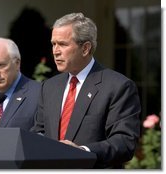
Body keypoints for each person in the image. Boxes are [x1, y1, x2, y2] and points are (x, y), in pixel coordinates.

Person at [31, 12, 141, 168]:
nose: (55, 51)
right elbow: (38, 132)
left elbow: (124, 142)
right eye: (53, 44)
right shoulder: (49, 87)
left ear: (85, 48)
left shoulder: (118, 86)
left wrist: (83, 151)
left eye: (62, 44)